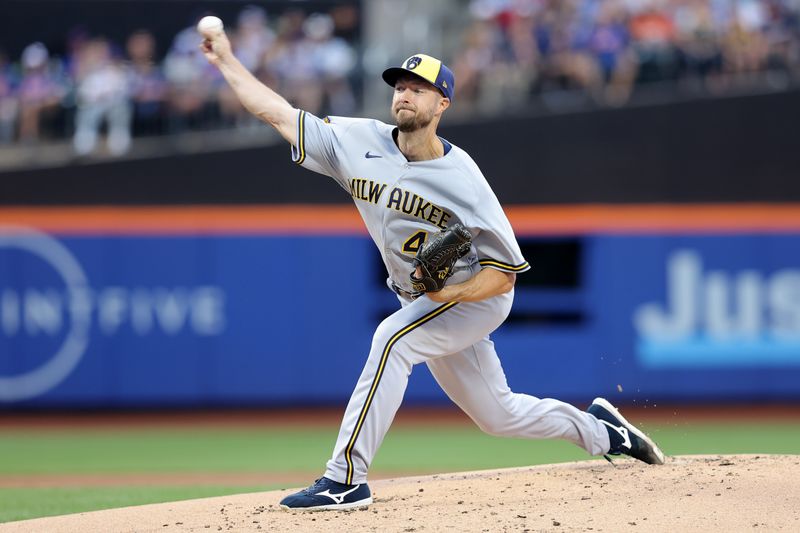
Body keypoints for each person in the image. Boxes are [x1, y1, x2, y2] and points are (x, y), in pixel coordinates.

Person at [198, 23, 665, 512]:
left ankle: (345, 478)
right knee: (496, 414)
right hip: (422, 297)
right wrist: (227, 59)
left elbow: (503, 274)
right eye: (400, 86)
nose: (404, 94)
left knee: (391, 340)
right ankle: (601, 430)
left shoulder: (464, 180)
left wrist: (446, 295)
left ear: (442, 104)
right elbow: (277, 112)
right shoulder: (357, 141)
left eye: (418, 89)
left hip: (475, 296)